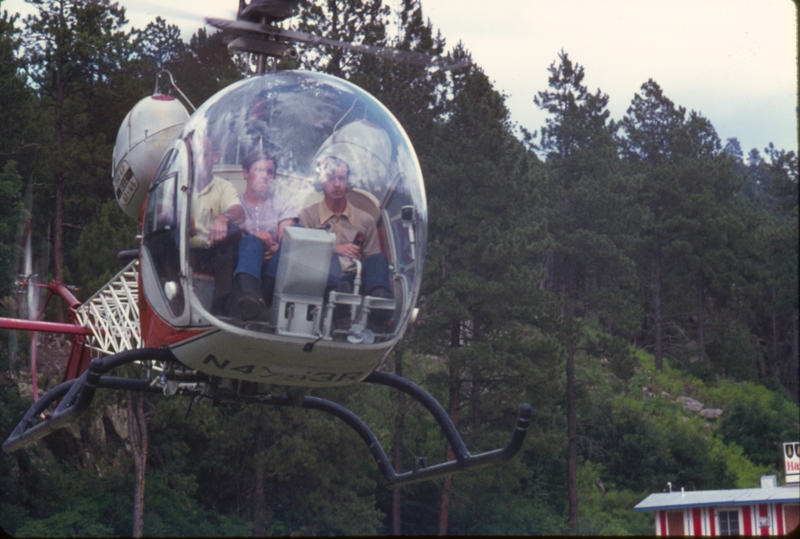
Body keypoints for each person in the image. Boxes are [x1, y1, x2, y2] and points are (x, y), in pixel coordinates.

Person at [298, 155, 392, 300]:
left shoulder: (366, 220)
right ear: (320, 182)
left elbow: (370, 260)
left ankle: (378, 307)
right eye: (330, 179)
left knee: (379, 259)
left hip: (354, 278)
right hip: (319, 278)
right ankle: (338, 300)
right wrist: (332, 249)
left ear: (348, 181)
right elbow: (300, 253)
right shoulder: (307, 215)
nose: (337, 184)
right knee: (330, 259)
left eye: (341, 178)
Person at [233, 150, 299, 320]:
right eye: (259, 170)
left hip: (275, 264)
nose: (265, 176)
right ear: (246, 173)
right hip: (241, 261)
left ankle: (261, 297)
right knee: (251, 241)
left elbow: (286, 239)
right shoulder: (233, 203)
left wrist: (273, 248)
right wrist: (256, 242)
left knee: (292, 241)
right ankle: (251, 295)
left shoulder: (283, 204)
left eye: (270, 172)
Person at [188, 133, 245, 312]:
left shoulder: (224, 187)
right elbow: (161, 211)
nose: (197, 161)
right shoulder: (176, 185)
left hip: (212, 252)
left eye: (203, 155)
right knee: (167, 234)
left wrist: (224, 218)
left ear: (215, 157)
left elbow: (239, 212)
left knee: (234, 234)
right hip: (181, 250)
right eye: (192, 155)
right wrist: (177, 217)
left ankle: (222, 306)